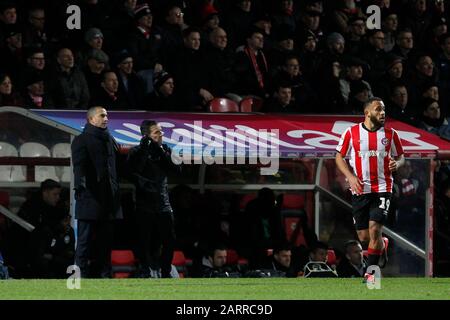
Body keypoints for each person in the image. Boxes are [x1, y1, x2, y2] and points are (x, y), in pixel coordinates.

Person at [335, 97, 405, 282]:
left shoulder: (391, 134)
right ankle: (383, 243)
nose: (382, 113)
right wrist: (350, 177)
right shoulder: (351, 133)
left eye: (383, 110)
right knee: (364, 236)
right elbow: (339, 157)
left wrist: (397, 164)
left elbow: (401, 156)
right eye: (378, 109)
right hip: (360, 188)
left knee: (375, 229)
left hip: (383, 187)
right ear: (367, 113)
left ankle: (371, 274)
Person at [71, 106, 123, 278]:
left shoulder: (110, 140)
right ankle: (80, 277)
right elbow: (79, 168)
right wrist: (82, 188)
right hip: (90, 198)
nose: (106, 118)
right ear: (91, 119)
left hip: (109, 201)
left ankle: (105, 277)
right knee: (84, 243)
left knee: (106, 244)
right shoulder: (81, 140)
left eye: (107, 115)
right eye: (102, 115)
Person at [126, 120, 181, 278]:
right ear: (146, 136)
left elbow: (177, 169)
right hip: (144, 204)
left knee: (169, 239)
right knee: (144, 241)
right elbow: (132, 172)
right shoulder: (136, 152)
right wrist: (145, 150)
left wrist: (161, 152)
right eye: (157, 133)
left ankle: (165, 271)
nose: (161, 135)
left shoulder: (166, 150)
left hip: (163, 203)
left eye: (161, 132)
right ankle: (145, 270)